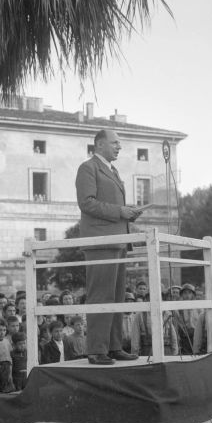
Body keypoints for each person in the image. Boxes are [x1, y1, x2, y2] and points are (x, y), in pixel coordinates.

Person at [75, 129, 142, 365]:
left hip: (118, 240)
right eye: (115, 143)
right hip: (100, 242)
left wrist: (127, 215)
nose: (119, 147)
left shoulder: (112, 170)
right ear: (100, 144)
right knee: (101, 294)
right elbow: (87, 203)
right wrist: (120, 212)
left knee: (116, 295)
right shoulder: (88, 167)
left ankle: (113, 347)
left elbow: (108, 206)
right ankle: (96, 350)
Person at [173, 283, 202, 354]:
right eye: (185, 293)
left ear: (193, 295)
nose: (187, 295)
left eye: (189, 293)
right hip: (185, 338)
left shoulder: (199, 308)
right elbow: (176, 326)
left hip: (197, 336)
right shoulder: (178, 309)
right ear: (182, 295)